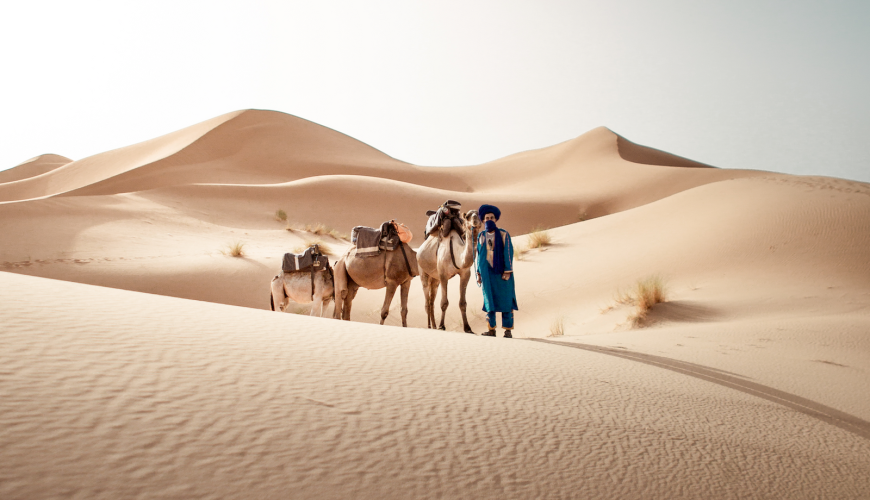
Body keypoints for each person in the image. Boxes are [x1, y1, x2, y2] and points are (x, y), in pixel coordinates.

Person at [475, 204, 518, 338]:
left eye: (491, 218)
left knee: (505, 300)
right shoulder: (481, 235)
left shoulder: (504, 234)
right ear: (483, 220)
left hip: (502, 273)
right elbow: (479, 254)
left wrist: (507, 271)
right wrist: (478, 272)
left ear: (496, 220)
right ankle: (491, 329)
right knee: (489, 300)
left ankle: (508, 330)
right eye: (486, 218)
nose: (489, 220)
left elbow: (509, 252)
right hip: (487, 273)